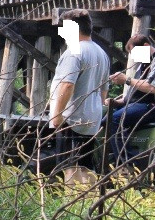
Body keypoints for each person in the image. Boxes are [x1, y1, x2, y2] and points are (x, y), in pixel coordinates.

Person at [46, 10, 110, 176]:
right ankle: (87, 200)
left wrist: (57, 116)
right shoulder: (102, 53)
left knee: (69, 168)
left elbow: (67, 85)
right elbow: (104, 90)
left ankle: (72, 199)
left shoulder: (74, 51)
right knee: (85, 168)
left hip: (71, 120)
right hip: (91, 120)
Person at [106, 33, 155, 169]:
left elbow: (151, 87)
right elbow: (136, 92)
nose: (134, 57)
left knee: (114, 120)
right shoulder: (143, 64)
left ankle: (130, 164)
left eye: (135, 53)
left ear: (146, 46)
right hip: (140, 104)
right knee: (104, 120)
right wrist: (118, 101)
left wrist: (126, 79)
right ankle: (110, 160)